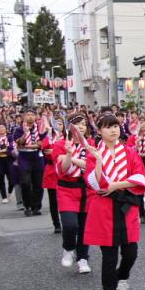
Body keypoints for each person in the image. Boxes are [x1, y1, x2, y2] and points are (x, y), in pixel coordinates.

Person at [83, 114, 145, 290]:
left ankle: (121, 277)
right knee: (109, 254)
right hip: (104, 207)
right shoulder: (95, 153)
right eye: (108, 127)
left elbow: (140, 177)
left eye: (116, 126)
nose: (113, 130)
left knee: (131, 252)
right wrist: (99, 162)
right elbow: (94, 182)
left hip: (126, 205)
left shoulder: (128, 152)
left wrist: (117, 184)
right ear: (99, 130)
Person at [54, 115, 95, 274]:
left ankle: (83, 258)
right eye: (77, 124)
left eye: (83, 124)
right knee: (71, 224)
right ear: (70, 127)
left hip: (87, 190)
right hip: (67, 190)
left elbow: (92, 165)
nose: (81, 127)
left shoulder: (91, 144)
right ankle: (68, 248)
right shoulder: (60, 144)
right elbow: (62, 169)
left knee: (85, 227)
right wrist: (69, 155)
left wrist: (74, 160)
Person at [12, 108, 45, 216]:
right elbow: (19, 143)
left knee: (38, 183)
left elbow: (42, 143)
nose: (30, 116)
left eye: (32, 114)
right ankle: (27, 205)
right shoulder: (19, 129)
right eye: (28, 115)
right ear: (24, 117)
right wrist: (25, 133)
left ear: (35, 117)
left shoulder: (40, 129)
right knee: (25, 182)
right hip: (24, 156)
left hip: (37, 156)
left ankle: (36, 206)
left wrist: (35, 144)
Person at [41, 120, 63, 233]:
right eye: (55, 124)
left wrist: (54, 151)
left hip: (64, 170)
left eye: (60, 124)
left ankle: (67, 221)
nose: (57, 126)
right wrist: (49, 134)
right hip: (51, 170)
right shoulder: (50, 137)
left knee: (64, 199)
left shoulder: (68, 137)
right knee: (53, 200)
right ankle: (56, 224)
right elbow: (45, 149)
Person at [0, 122, 15, 203]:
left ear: (6, 129)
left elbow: (10, 148)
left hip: (8, 159)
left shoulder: (10, 137)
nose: (1, 129)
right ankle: (4, 196)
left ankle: (10, 191)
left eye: (2, 127)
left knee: (11, 178)